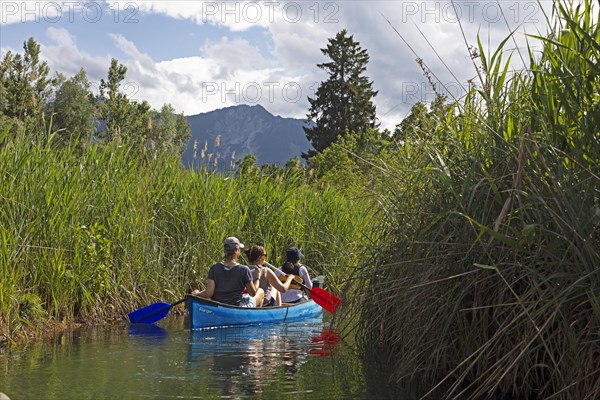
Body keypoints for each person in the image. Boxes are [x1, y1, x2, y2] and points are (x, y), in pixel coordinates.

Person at [192, 237, 264, 307]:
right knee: (261, 291)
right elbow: (252, 293)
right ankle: (255, 317)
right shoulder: (244, 270)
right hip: (235, 307)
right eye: (239, 249)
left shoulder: (214, 268)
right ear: (236, 249)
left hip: (218, 307)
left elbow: (208, 294)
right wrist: (257, 277)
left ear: (225, 250)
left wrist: (197, 294)